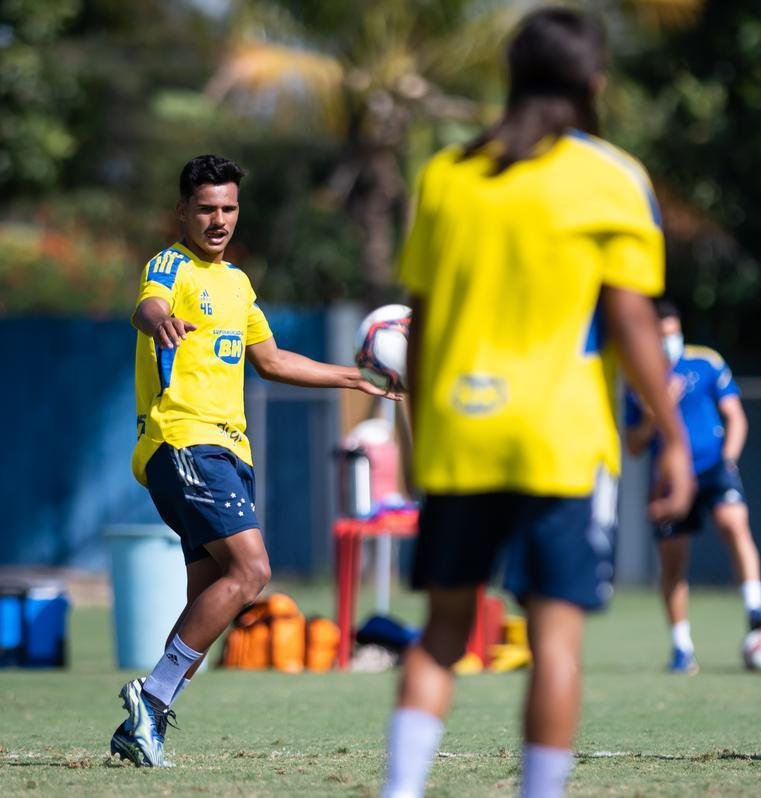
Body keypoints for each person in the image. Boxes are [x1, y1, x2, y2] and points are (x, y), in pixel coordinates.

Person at [379, 9, 694, 798]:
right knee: (555, 645)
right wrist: (674, 437)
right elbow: (630, 320)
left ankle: (399, 790)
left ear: (510, 78)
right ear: (595, 85)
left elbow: (419, 328)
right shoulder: (614, 179)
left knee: (443, 633)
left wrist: (420, 437)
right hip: (557, 440)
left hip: (461, 435)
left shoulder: (447, 176)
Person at [109, 154, 393, 767]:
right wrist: (162, 321)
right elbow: (146, 306)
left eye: (228, 208)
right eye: (206, 208)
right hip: (184, 442)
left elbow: (273, 360)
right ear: (182, 211)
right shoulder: (170, 264)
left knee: (210, 599)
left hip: (229, 453)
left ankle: (143, 725)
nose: (218, 220)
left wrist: (358, 377)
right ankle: (151, 696)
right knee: (253, 570)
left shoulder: (237, 283)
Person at [624, 300, 761, 675]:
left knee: (733, 523)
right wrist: (651, 413)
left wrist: (729, 457)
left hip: (713, 467)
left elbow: (735, 416)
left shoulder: (706, 362)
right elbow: (635, 445)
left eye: (673, 334)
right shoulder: (638, 374)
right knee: (674, 562)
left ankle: (754, 607)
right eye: (661, 336)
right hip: (671, 478)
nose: (668, 341)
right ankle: (681, 647)